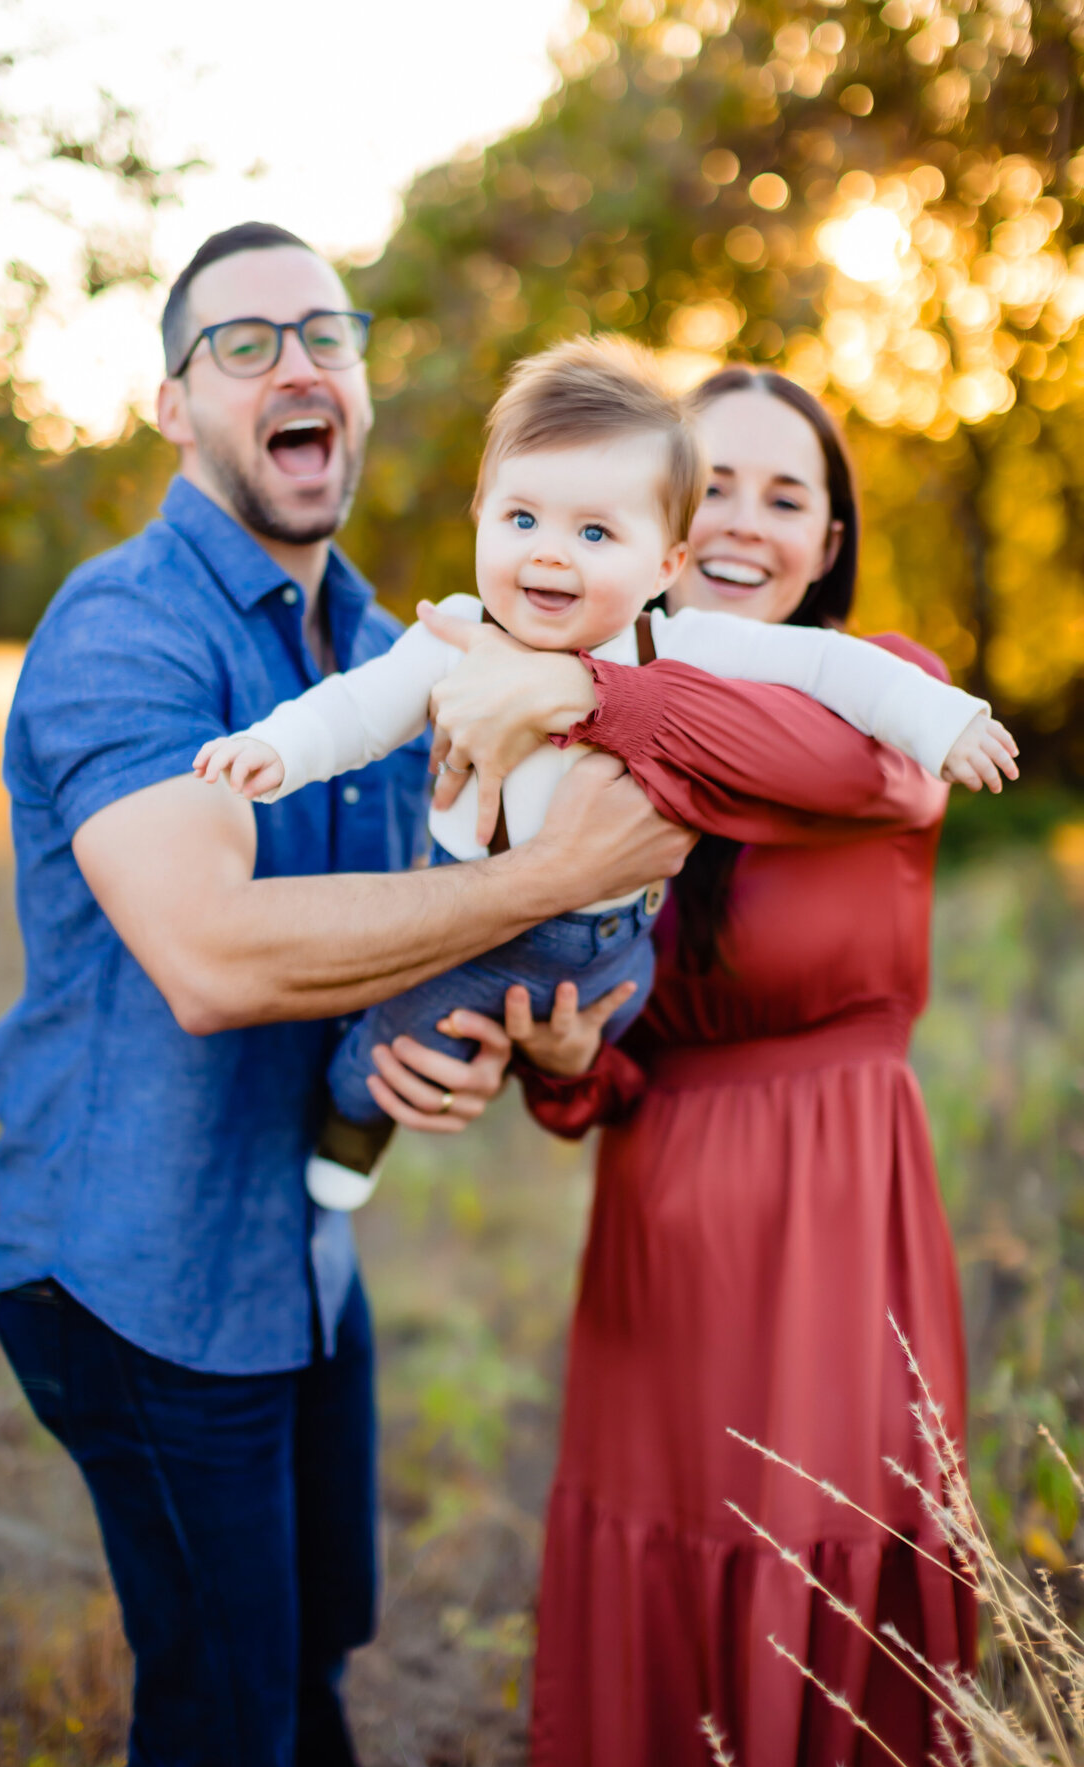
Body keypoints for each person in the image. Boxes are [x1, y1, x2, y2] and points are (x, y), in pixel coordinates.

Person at [0, 222, 692, 1767]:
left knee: (307, 1674)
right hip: (140, 1271)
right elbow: (216, 957)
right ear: (172, 405)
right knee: (223, 1734)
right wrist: (547, 878)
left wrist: (524, 1030)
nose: (299, 365)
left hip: (301, 1262)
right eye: (245, 343)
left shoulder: (397, 646)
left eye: (329, 332)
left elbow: (448, 917)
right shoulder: (128, 630)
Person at [420, 367, 991, 1767]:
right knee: (664, 1587)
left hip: (841, 1224)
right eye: (714, 485)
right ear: (667, 524)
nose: (745, 523)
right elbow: (602, 1054)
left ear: (830, 543)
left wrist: (582, 681)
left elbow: (876, 774)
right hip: (662, 1237)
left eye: (785, 497)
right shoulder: (610, 758)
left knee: (832, 1554)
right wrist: (563, 1065)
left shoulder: (894, 696)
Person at [194, 337, 1010, 1212]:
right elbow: (355, 711)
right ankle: (356, 1135)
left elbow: (833, 670)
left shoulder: (680, 648)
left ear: (666, 562)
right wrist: (276, 751)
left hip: (623, 955)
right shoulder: (455, 637)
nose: (552, 553)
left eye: (593, 532)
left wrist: (943, 718)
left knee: (545, 1027)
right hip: (484, 929)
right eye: (521, 520)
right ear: (480, 515)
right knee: (397, 1040)